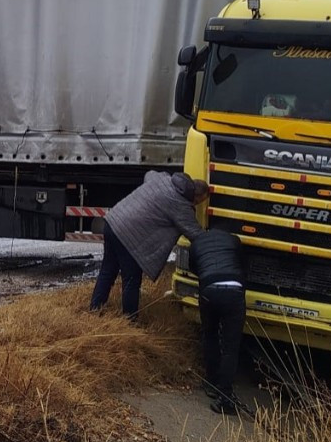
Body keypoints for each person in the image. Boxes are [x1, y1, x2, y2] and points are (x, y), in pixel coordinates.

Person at [89, 171, 208, 321]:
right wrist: (216, 240)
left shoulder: (163, 179)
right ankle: (129, 321)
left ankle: (94, 310)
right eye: (198, 203)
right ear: (195, 197)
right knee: (131, 279)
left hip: (113, 222)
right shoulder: (181, 205)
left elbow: (148, 174)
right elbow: (195, 233)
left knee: (108, 270)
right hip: (129, 237)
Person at [189, 229, 246, 415]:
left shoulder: (196, 242)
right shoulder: (234, 238)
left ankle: (211, 382)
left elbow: (193, 267)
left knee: (210, 335)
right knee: (231, 347)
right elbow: (241, 263)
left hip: (209, 288)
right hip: (235, 290)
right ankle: (225, 398)